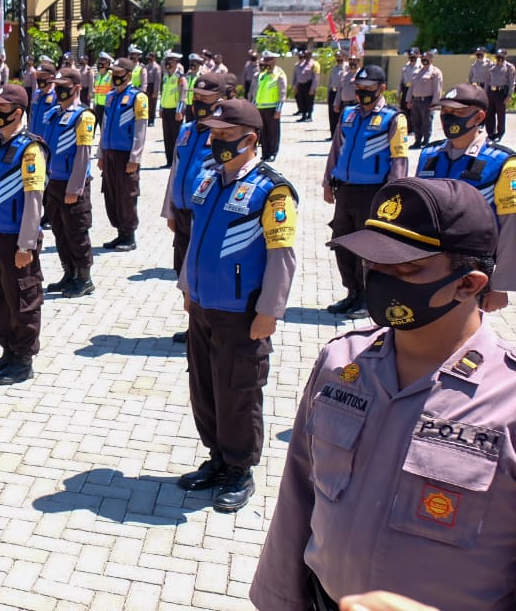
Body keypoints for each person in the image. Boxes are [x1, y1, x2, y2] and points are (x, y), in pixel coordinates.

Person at [251, 177, 516, 611]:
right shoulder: (340, 363)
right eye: (375, 263)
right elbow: (298, 496)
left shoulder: (507, 401)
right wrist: (277, 599)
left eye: (407, 270)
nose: (381, 279)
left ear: (468, 285)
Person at [177, 98, 297, 513]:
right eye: (213, 134)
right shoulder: (210, 179)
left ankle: (240, 469)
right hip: (204, 305)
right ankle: (217, 457)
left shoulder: (272, 190)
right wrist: (187, 286)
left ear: (250, 138)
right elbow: (194, 240)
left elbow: (282, 254)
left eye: (225, 136)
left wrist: (270, 310)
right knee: (205, 386)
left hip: (243, 311)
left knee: (238, 391)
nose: (216, 142)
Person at [417, 83, 516, 312]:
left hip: (473, 270)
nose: (449, 119)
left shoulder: (502, 162)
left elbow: (511, 227)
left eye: (458, 113)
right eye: (445, 113)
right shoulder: (429, 155)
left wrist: (501, 286)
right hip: (429, 263)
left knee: (465, 334)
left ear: (479, 116)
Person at [323, 64, 409, 318]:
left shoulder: (393, 118)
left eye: (368, 88)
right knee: (342, 243)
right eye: (358, 88)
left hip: (374, 192)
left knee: (368, 248)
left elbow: (399, 159)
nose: (362, 93)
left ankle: (368, 299)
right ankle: (352, 293)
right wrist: (327, 181)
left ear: (382, 88)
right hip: (345, 190)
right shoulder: (348, 114)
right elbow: (336, 150)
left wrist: (393, 197)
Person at [0, 84, 47, 385]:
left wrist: (26, 244)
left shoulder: (30, 150)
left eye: (1, 108)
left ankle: (23, 360)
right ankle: (7, 352)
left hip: (17, 240)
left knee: (22, 300)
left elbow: (34, 200)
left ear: (17, 112)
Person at [161, 72, 232, 344]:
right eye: (196, 97)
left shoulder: (225, 134)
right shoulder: (187, 129)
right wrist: (170, 209)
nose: (199, 102)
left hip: (207, 215)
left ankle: (210, 328)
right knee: (184, 271)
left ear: (221, 99)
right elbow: (176, 171)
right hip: (182, 212)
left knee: (205, 272)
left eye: (206, 98)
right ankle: (195, 326)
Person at [39, 68, 97, 298]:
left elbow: (83, 155)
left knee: (77, 231)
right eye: (58, 85)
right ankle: (69, 273)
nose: (60, 90)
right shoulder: (52, 113)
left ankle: (84, 278)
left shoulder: (84, 116)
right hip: (53, 181)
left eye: (65, 86)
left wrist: (75, 188)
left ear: (77, 88)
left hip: (73, 184)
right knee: (60, 232)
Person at [97, 58, 148, 252]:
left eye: (119, 74)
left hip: (126, 155)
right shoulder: (110, 96)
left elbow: (140, 130)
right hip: (110, 153)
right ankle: (119, 232)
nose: (115, 77)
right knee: (111, 193)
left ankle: (129, 235)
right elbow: (104, 126)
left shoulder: (138, 98)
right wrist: (101, 153)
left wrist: (135, 158)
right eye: (113, 74)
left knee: (127, 194)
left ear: (128, 74)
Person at [249, 50, 287, 161]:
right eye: (265, 60)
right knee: (263, 132)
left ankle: (272, 153)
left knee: (273, 132)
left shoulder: (279, 74)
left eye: (268, 60)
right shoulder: (261, 75)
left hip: (272, 108)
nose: (266, 63)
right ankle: (265, 153)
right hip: (260, 108)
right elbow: (255, 93)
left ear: (274, 60)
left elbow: (282, 94)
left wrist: (278, 110)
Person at [407, 50, 443, 149]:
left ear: (431, 59)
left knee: (426, 122)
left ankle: (426, 142)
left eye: (426, 59)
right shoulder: (418, 71)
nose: (424, 61)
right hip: (416, 101)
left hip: (427, 101)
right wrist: (409, 100)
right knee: (416, 122)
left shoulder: (435, 72)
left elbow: (437, 89)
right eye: (423, 59)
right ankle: (417, 141)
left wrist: (435, 103)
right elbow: (412, 87)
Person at [158, 51, 188, 167]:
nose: (167, 63)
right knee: (167, 136)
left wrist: (179, 110)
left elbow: (183, 95)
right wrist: (161, 107)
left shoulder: (180, 77)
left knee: (176, 137)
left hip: (175, 111)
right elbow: (163, 92)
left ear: (176, 62)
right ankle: (169, 161)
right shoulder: (166, 76)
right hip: (166, 109)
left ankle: (176, 162)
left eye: (170, 61)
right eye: (166, 61)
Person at [484, 49, 513, 141]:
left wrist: (509, 95)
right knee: (489, 113)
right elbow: (487, 81)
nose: (499, 58)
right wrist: (485, 93)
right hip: (491, 92)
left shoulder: (509, 67)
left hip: (501, 93)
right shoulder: (492, 67)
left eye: (501, 56)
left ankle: (500, 133)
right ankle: (491, 133)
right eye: (498, 56)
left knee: (500, 114)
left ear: (505, 56)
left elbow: (512, 83)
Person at [29, 61, 58, 151]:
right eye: (38, 76)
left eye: (43, 76)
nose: (39, 78)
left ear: (51, 77)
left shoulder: (56, 96)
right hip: (33, 139)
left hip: (47, 142)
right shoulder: (36, 94)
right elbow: (31, 115)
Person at [293, 49, 319, 122]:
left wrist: (313, 88)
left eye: (307, 55)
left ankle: (309, 116)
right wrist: (295, 86)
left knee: (309, 101)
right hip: (301, 85)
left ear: (310, 55)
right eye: (305, 55)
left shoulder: (314, 64)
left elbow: (316, 77)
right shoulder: (301, 64)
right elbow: (297, 76)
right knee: (302, 101)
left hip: (309, 85)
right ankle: (303, 116)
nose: (305, 56)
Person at [91, 53, 112, 127]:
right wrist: (94, 102)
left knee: (106, 126)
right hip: (98, 104)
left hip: (107, 105)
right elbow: (96, 90)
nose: (100, 64)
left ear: (107, 64)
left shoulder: (111, 75)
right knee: (100, 125)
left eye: (102, 63)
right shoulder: (98, 75)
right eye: (99, 62)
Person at [399, 47, 421, 115]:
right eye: (410, 56)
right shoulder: (405, 67)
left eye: (414, 56)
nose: (412, 58)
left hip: (415, 91)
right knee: (404, 112)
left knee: (414, 113)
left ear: (418, 55)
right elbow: (401, 81)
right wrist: (398, 92)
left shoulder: (421, 67)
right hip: (406, 90)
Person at [144, 51, 163, 127]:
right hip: (147, 86)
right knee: (147, 104)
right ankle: (147, 119)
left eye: (150, 57)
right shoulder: (147, 66)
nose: (149, 58)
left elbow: (157, 80)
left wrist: (156, 91)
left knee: (152, 104)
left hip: (153, 86)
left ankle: (151, 120)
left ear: (154, 57)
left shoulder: (156, 67)